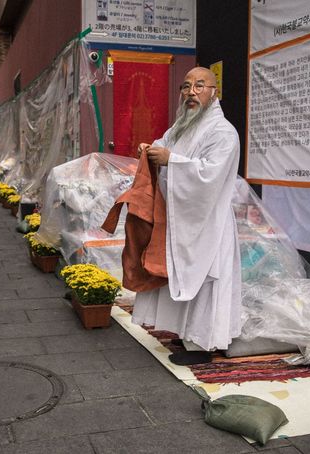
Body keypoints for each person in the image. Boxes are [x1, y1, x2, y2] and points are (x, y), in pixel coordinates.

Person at [131, 67, 242, 365]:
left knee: (205, 279)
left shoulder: (223, 132)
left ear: (214, 91)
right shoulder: (183, 125)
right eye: (186, 86)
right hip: (184, 220)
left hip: (208, 222)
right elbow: (165, 145)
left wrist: (172, 161)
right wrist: (151, 150)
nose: (191, 92)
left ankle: (203, 345)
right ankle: (184, 333)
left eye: (200, 85)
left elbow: (210, 175)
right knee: (181, 273)